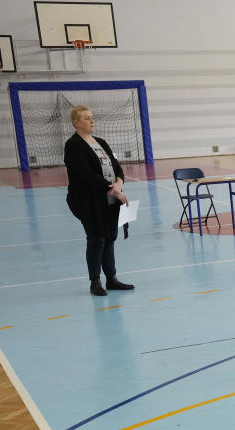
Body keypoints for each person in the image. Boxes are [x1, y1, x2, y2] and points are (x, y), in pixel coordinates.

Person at [64, 105, 135, 296]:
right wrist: (111, 188)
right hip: (88, 200)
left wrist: (119, 182)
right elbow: (86, 174)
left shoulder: (101, 142)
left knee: (110, 237)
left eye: (92, 117)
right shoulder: (73, 145)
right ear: (76, 123)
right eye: (87, 118)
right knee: (96, 237)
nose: (92, 121)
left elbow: (116, 166)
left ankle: (111, 278)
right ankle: (95, 281)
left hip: (110, 197)